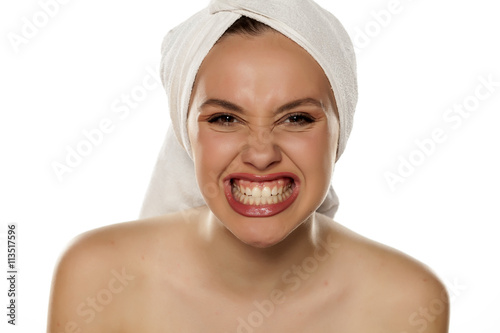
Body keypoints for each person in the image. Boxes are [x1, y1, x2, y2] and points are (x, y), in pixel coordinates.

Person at [47, 1, 449, 332]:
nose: (261, 154)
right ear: (186, 132)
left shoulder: (407, 302)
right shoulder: (95, 276)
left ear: (341, 130)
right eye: (225, 119)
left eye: (297, 118)